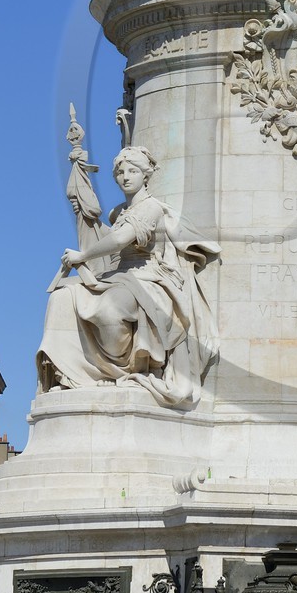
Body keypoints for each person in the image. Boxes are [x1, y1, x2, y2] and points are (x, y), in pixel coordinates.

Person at [38, 146, 219, 409]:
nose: (125, 177)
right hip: (120, 275)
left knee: (110, 308)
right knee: (63, 296)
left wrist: (83, 255)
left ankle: (121, 369)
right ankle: (75, 372)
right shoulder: (117, 213)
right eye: (120, 172)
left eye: (133, 171)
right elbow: (109, 241)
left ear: (146, 175)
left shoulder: (151, 208)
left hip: (149, 277)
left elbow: (121, 239)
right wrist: (83, 208)